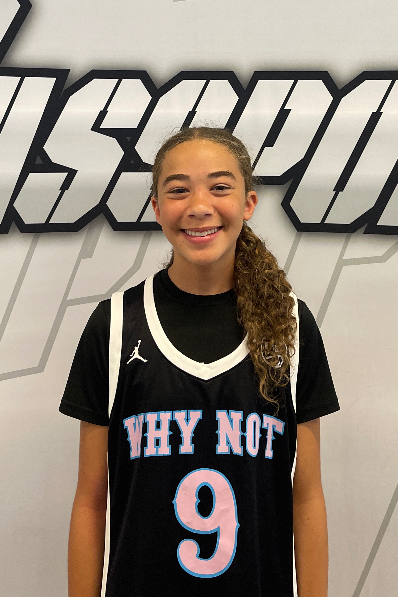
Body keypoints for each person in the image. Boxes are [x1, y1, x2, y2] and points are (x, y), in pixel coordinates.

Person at [60, 127, 339, 597]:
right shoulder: (115, 325)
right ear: (156, 207)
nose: (199, 206)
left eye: (220, 187)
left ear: (248, 203)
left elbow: (306, 494)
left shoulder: (290, 324)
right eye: (178, 190)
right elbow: (90, 500)